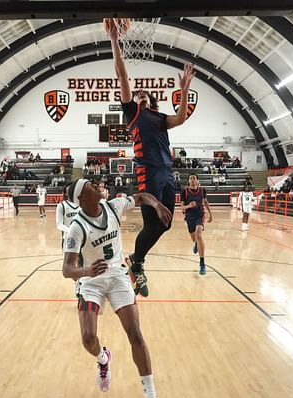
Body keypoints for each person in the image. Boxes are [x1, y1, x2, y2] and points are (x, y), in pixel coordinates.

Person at [61, 179, 173, 398]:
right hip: (91, 281)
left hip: (118, 277)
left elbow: (142, 196)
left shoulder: (112, 206)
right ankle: (103, 359)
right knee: (88, 338)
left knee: (135, 334)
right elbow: (67, 269)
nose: (96, 185)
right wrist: (86, 271)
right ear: (82, 198)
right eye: (90, 186)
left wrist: (157, 205)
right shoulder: (77, 228)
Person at [108, 18, 195, 297]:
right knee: (152, 221)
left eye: (144, 93)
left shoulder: (159, 117)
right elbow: (121, 74)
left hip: (167, 173)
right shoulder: (134, 113)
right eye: (137, 93)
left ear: (152, 100)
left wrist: (183, 91)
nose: (140, 93)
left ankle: (135, 260)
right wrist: (114, 40)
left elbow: (181, 118)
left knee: (166, 223)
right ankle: (138, 263)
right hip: (148, 171)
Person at [180, 173, 212, 275]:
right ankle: (196, 244)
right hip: (189, 217)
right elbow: (182, 207)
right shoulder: (184, 191)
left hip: (199, 215)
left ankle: (202, 263)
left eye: (194, 178)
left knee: (199, 234)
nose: (192, 180)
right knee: (194, 239)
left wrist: (210, 214)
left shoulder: (202, 190)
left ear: (197, 180)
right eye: (191, 178)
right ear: (188, 181)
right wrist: (189, 205)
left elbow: (205, 202)